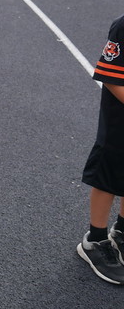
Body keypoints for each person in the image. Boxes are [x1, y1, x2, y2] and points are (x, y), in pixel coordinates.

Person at [77, 15, 124, 284]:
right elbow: (111, 77)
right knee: (108, 178)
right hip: (119, 125)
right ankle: (95, 240)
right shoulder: (122, 27)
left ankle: (122, 232)